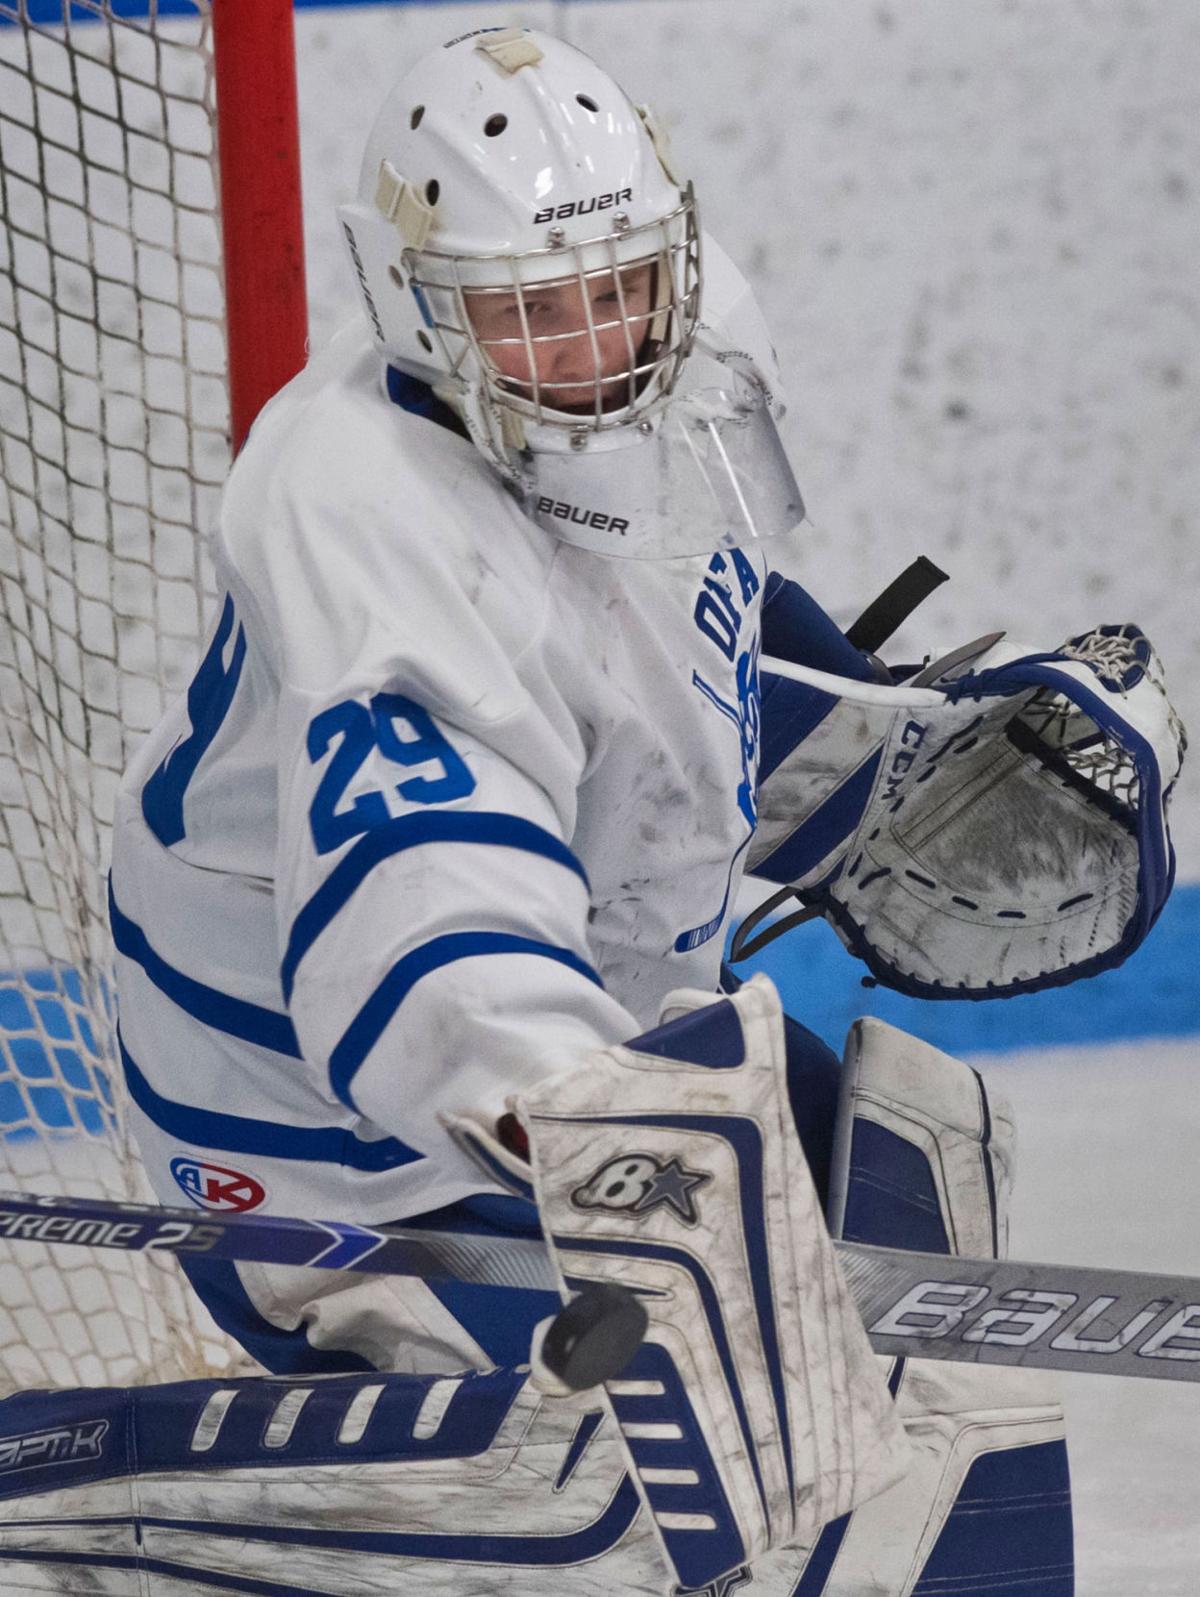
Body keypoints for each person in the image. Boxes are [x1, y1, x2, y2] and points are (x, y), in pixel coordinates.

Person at [101, 25, 1184, 1595]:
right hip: (322, 1117)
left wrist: (903, 753)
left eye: (621, 287)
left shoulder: (670, 367)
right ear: (422, 309)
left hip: (576, 996)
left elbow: (671, 649)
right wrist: (573, 1105)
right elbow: (423, 879)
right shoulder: (357, 501)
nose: (600, 343)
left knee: (902, 1161)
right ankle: (264, 1493)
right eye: (535, 313)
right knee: (780, 1490)